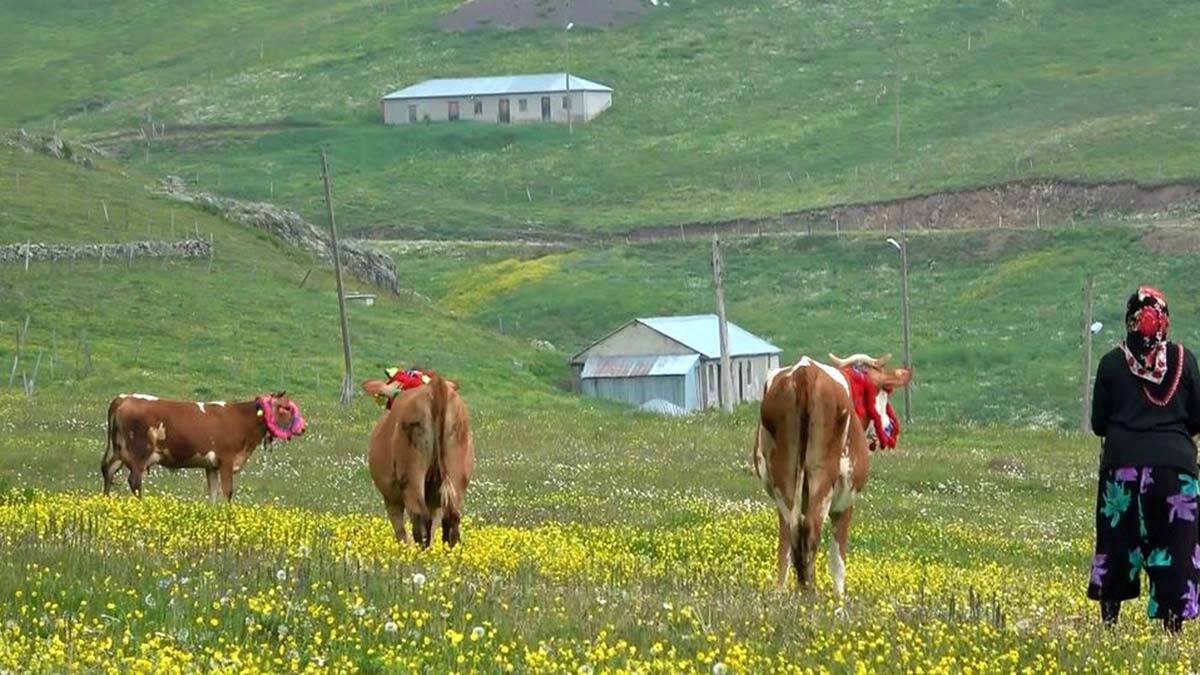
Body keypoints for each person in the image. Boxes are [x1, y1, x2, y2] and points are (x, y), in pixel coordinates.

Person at [1088, 286, 1200, 632]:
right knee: (1175, 548)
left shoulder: (1110, 363)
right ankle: (1172, 628)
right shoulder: (1186, 360)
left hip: (1122, 469)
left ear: (1130, 321)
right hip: (1174, 472)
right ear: (1165, 321)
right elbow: (1197, 418)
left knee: (1117, 544)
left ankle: (1109, 623)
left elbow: (1098, 424)